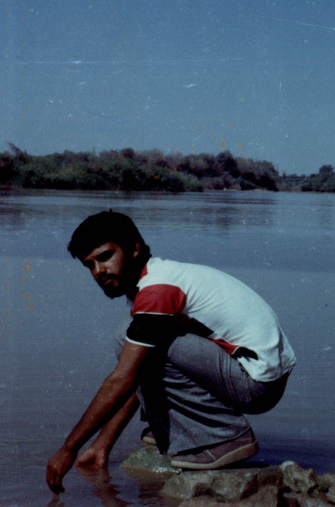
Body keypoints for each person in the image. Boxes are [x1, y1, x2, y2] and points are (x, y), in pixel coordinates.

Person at [46, 210, 296, 494]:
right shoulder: (156, 279)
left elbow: (124, 379)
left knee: (131, 341)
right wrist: (102, 444)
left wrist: (68, 449)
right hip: (254, 374)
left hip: (256, 383)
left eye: (105, 257)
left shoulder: (157, 289)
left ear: (134, 248)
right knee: (136, 341)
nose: (98, 271)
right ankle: (178, 428)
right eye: (89, 265)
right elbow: (137, 373)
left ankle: (226, 438)